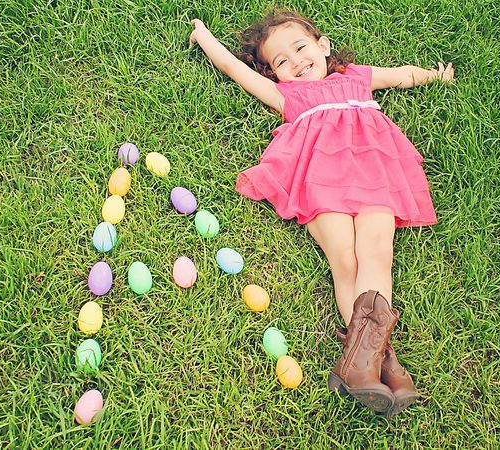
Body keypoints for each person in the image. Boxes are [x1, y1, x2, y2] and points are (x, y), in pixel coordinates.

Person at [189, 8, 454, 417]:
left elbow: (399, 74)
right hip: (320, 178)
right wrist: (203, 35)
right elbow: (232, 68)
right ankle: (382, 364)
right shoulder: (286, 95)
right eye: (281, 61)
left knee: (377, 251)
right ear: (275, 74)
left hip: (376, 171)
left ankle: (365, 364)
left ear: (323, 46)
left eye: (300, 48)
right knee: (344, 260)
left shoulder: (356, 77)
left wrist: (435, 76)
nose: (296, 61)